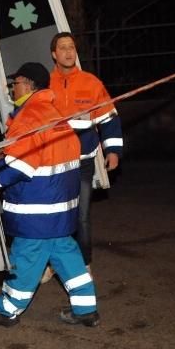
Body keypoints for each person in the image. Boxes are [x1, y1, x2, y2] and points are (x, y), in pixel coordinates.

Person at [0, 62, 99, 328]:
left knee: (25, 260)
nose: (13, 87)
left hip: (35, 209)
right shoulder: (55, 114)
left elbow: (19, 166)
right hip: (60, 208)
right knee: (67, 255)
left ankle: (6, 310)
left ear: (29, 84)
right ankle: (86, 309)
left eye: (16, 82)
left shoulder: (30, 117)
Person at [48, 32, 123, 274]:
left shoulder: (91, 83)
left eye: (71, 47)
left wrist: (113, 151)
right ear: (54, 54)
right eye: (63, 48)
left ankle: (83, 263)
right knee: (54, 215)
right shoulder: (45, 85)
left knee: (81, 216)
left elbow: (109, 118)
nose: (68, 52)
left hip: (84, 162)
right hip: (55, 163)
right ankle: (52, 263)